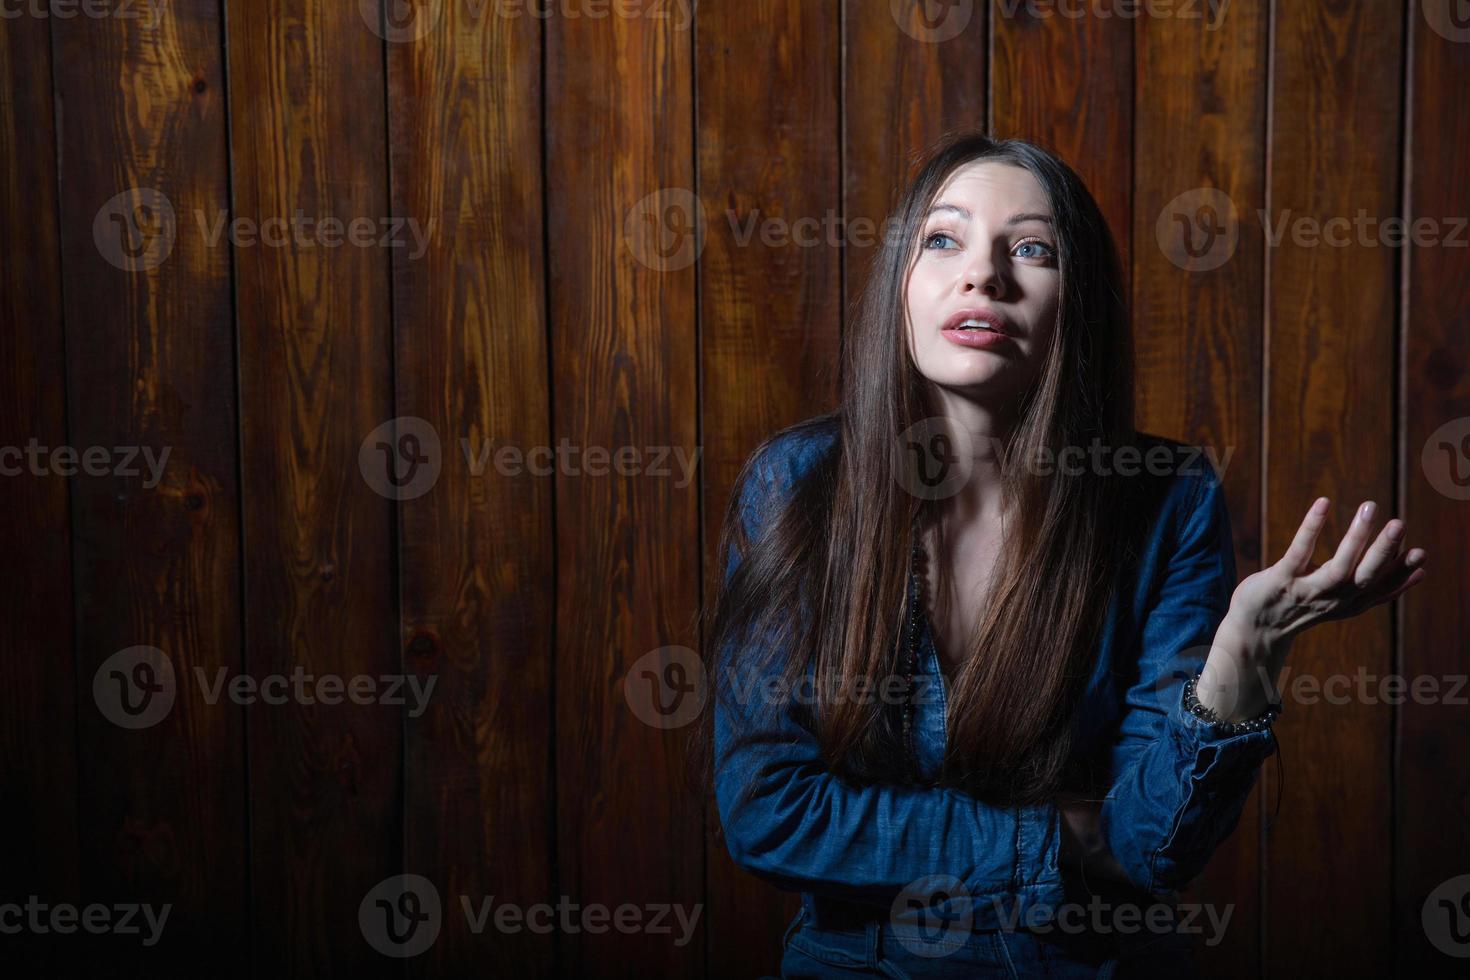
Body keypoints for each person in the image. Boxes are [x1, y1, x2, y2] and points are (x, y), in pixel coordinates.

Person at [697, 132, 1428, 978]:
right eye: (944, 238)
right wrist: (1049, 839)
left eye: (1032, 249)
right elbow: (770, 814)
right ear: (901, 284)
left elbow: (1153, 846)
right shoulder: (797, 484)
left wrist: (1245, 658)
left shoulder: (1166, 496)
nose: (984, 274)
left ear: (1075, 302)